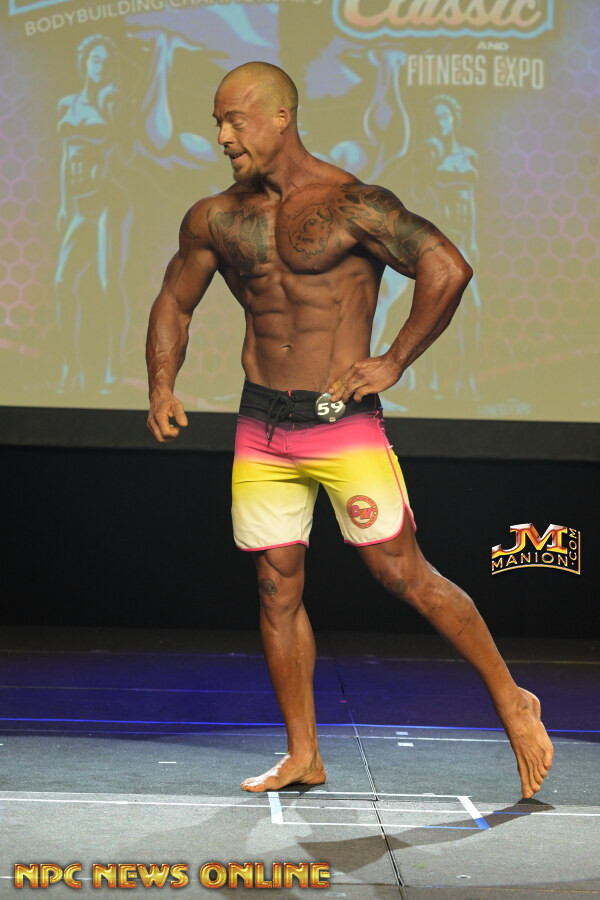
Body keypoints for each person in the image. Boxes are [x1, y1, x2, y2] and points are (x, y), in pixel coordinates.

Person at [145, 61, 553, 799]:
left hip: (342, 424)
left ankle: (511, 699)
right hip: (262, 424)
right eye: (217, 122)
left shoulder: (354, 205)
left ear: (280, 117)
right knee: (274, 588)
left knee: (402, 575)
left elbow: (447, 268)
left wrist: (393, 359)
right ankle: (303, 753)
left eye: (235, 120)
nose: (223, 136)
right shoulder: (215, 217)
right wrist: (161, 384)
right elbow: (175, 298)